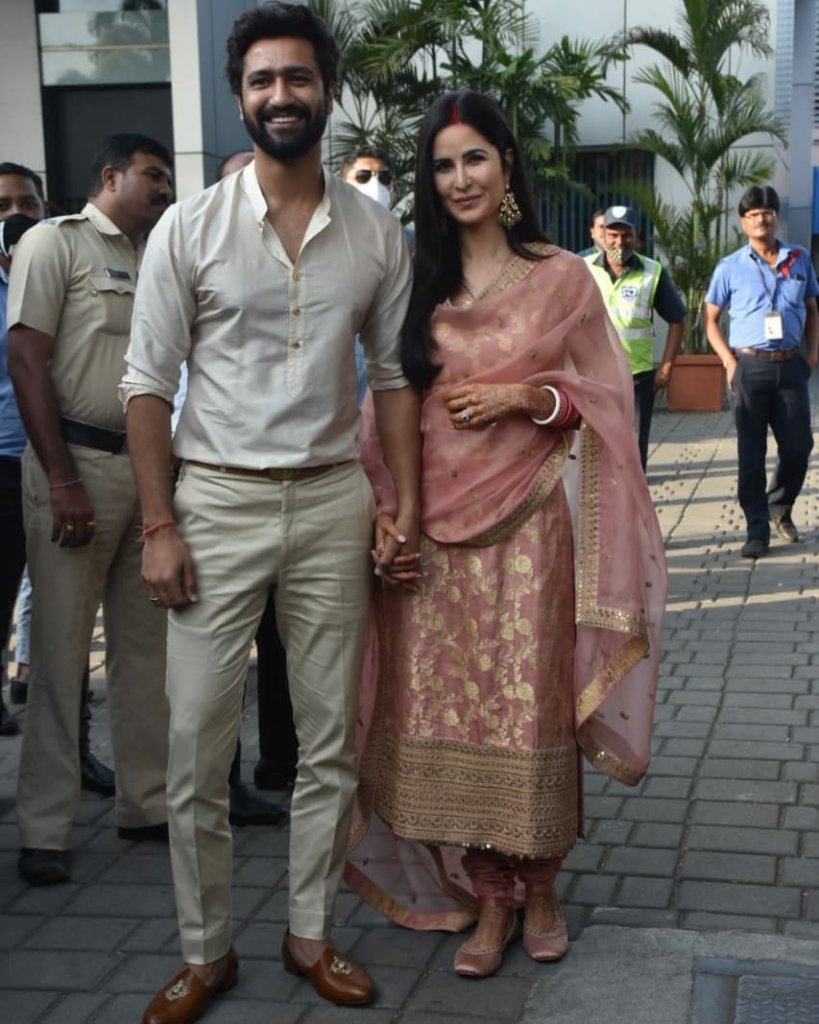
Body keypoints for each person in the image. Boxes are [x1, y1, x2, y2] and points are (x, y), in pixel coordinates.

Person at [120, 5, 419, 1021]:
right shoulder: (187, 227)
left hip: (334, 499)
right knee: (198, 738)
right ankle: (208, 953)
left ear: (326, 91)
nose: (280, 95)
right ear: (237, 95)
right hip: (213, 501)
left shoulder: (376, 230)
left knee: (330, 740)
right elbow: (146, 386)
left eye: (298, 78)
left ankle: (309, 934)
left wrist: (401, 504)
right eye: (261, 80)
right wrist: (159, 524)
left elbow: (392, 380)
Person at [345, 89, 666, 980]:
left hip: (528, 527)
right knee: (448, 713)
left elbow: (604, 399)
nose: (460, 178)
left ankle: (542, 888)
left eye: (474, 158)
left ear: (507, 164)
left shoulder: (562, 275)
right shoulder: (413, 283)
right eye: (442, 165)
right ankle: (487, 896)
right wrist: (385, 511)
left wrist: (531, 397)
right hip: (431, 535)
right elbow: (382, 406)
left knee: (528, 711)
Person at [7, 133, 173, 886]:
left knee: (146, 653)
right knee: (61, 656)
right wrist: (61, 476)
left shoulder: (158, 256)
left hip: (145, 473)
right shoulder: (55, 243)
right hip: (71, 469)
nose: (165, 189)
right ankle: (45, 827)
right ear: (109, 176)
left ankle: (149, 804)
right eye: (153, 176)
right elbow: (25, 359)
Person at [704, 185, 818, 559]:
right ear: (743, 222)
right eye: (752, 214)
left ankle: (779, 507)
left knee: (800, 446)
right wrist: (729, 361)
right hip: (749, 367)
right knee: (750, 453)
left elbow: (813, 311)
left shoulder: (798, 258)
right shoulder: (729, 267)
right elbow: (710, 321)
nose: (760, 218)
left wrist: (811, 357)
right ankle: (756, 530)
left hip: (791, 366)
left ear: (775, 217)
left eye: (766, 212)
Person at [585, 205, 686, 471]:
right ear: (602, 235)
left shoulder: (652, 272)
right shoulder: (582, 269)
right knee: (594, 447)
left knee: (634, 448)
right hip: (594, 376)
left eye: (626, 235)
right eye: (613, 235)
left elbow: (677, 320)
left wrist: (666, 366)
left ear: (636, 235)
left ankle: (633, 506)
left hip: (637, 376)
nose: (620, 242)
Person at [0, 166, 47, 737]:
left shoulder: (52, 273)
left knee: (59, 623)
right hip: (4, 466)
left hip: (57, 465)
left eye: (27, 202)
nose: (15, 213)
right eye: (3, 202)